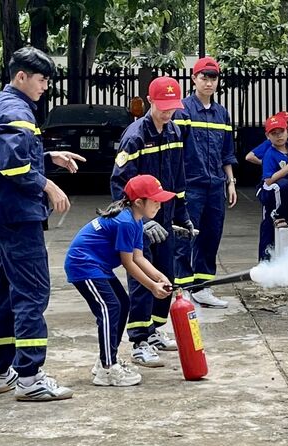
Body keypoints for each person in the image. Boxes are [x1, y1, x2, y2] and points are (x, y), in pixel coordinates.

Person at [0, 47, 85, 401]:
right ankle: (30, 377)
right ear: (21, 76)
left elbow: (8, 156)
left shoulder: (0, 106)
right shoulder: (16, 110)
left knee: (1, 293)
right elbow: (12, 165)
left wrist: (48, 156)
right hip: (19, 217)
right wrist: (48, 184)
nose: (45, 87)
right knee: (31, 292)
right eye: (42, 80)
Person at [65, 175, 175, 387]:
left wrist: (160, 277)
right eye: (155, 201)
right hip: (83, 265)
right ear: (138, 202)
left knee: (122, 304)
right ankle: (107, 368)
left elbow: (139, 257)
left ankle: (108, 360)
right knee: (110, 309)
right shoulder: (125, 221)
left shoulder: (135, 220)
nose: (160, 205)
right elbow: (128, 263)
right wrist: (152, 287)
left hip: (98, 267)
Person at [110, 76, 190, 367]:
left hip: (165, 220)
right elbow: (120, 183)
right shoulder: (135, 137)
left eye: (173, 107)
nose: (168, 113)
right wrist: (140, 222)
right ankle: (139, 340)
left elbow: (177, 180)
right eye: (163, 106)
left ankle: (154, 330)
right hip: (141, 224)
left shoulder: (174, 133)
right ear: (150, 101)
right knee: (143, 282)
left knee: (165, 276)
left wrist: (183, 216)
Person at [173, 57, 238, 308]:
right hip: (191, 185)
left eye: (213, 78)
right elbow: (175, 151)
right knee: (185, 236)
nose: (209, 82)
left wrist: (230, 182)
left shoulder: (222, 113)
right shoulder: (183, 110)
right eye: (204, 77)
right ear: (194, 79)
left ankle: (202, 287)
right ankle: (183, 288)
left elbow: (227, 152)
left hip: (215, 185)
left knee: (211, 235)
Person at [257, 115, 288, 260]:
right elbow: (269, 180)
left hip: (285, 195)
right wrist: (287, 168)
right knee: (268, 228)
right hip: (271, 193)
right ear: (267, 136)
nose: (278, 136)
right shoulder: (270, 154)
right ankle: (264, 262)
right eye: (273, 133)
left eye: (281, 132)